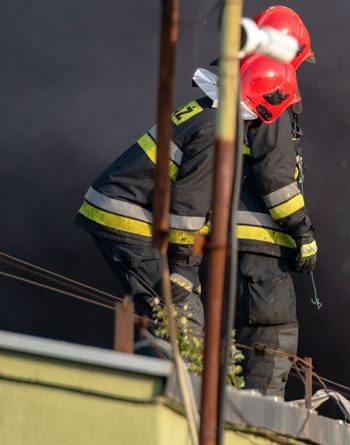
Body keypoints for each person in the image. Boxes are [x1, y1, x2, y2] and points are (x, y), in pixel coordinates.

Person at [76, 54, 299, 342]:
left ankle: (168, 363)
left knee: (170, 314)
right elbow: (189, 206)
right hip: (126, 216)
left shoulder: (210, 109)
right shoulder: (218, 129)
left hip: (125, 209)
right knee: (183, 318)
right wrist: (183, 269)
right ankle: (177, 370)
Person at [233, 5, 319, 397]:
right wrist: (303, 232)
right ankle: (256, 421)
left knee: (236, 341)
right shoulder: (270, 95)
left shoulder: (236, 84)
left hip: (232, 242)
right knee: (272, 337)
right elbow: (276, 178)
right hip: (259, 246)